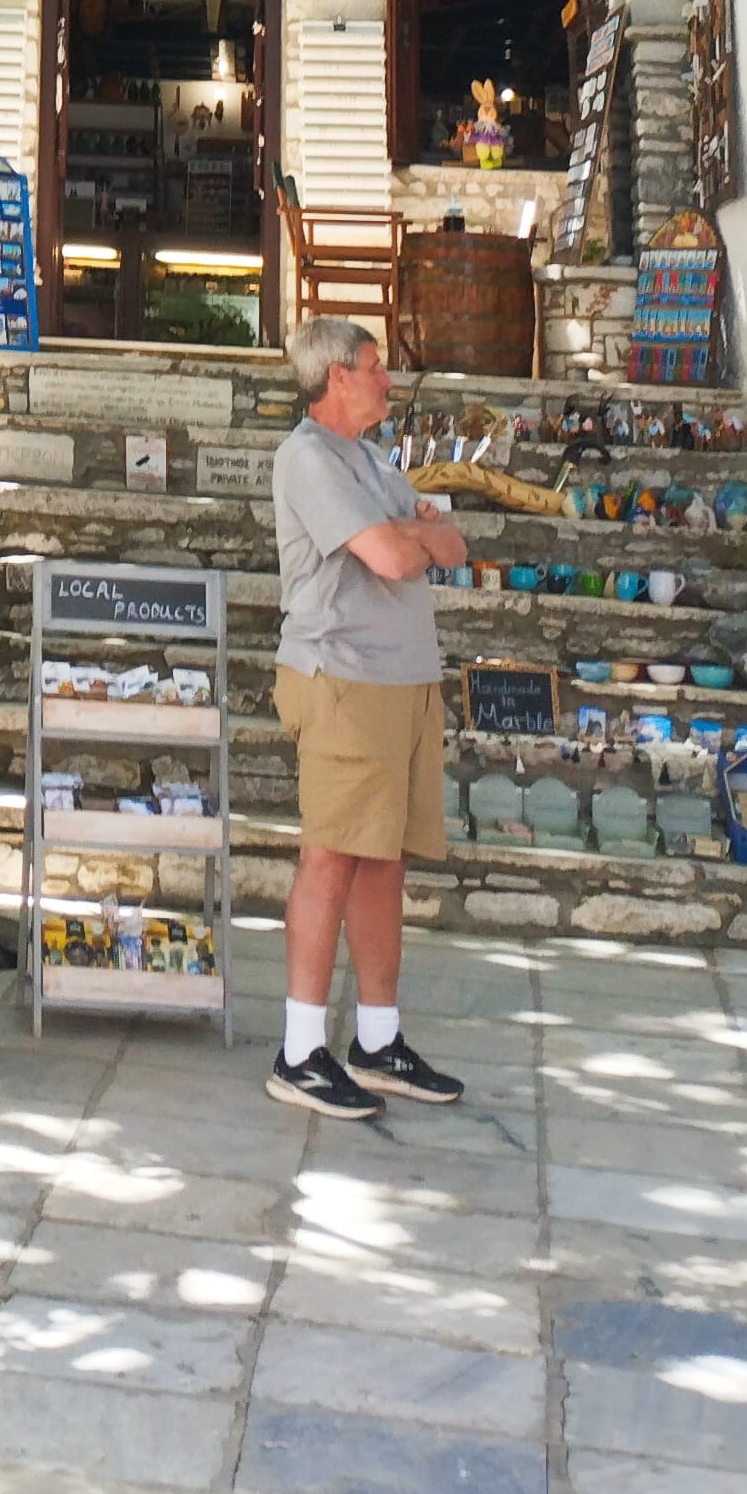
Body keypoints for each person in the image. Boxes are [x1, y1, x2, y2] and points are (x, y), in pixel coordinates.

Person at [267, 315, 468, 1117]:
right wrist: (413, 533)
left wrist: (415, 531)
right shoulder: (307, 458)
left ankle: (378, 1041)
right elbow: (394, 555)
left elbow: (452, 544)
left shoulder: (372, 461)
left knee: (384, 860)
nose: (389, 380)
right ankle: (299, 1052)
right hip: (344, 682)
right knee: (331, 858)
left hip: (402, 685)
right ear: (336, 378)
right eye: (375, 367)